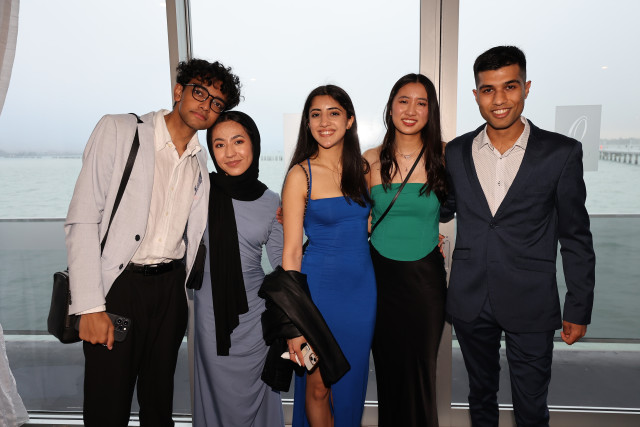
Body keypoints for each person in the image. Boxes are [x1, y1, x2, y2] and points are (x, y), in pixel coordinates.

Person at [65, 59, 241, 426]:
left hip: (170, 292)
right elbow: (82, 218)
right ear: (178, 91)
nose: (206, 105)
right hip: (118, 288)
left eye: (216, 103)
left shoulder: (199, 162)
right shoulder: (120, 130)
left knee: (159, 406)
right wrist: (89, 306)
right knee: (107, 406)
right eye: (199, 92)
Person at [441, 46, 596, 427]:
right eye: (488, 90)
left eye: (509, 87)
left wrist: (578, 306)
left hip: (531, 299)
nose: (499, 99)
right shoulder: (456, 152)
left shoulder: (561, 152)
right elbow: (443, 208)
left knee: (531, 406)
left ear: (526, 88)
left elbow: (575, 235)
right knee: (480, 397)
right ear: (476, 95)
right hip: (470, 297)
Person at [281, 85, 376, 427]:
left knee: (350, 384)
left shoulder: (364, 169)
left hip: (362, 292)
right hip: (318, 293)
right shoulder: (300, 174)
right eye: (315, 114)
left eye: (333, 113)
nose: (324, 122)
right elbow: (292, 251)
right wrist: (293, 320)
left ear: (349, 120)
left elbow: (375, 222)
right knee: (319, 386)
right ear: (307, 123)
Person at [362, 73, 447, 427]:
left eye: (421, 103)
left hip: (425, 281)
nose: (411, 110)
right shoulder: (369, 160)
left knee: (422, 372)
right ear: (390, 107)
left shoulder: (445, 156)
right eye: (403, 101)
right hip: (379, 278)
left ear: (430, 111)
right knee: (389, 372)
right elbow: (348, 213)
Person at [193, 111, 284, 426]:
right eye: (219, 144)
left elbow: (283, 263)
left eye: (238, 141)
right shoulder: (199, 191)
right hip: (210, 314)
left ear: (254, 144)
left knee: (259, 391)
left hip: (256, 317)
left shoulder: (272, 201)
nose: (230, 152)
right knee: (219, 395)